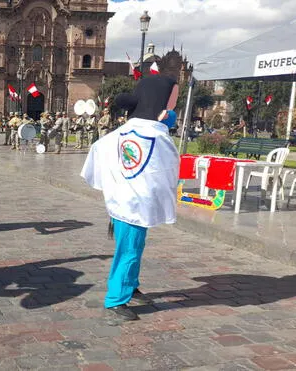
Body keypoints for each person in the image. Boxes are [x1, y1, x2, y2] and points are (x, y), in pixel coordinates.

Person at [80, 75, 180, 322]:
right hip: (133, 202)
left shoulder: (122, 133)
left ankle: (131, 285)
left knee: (135, 247)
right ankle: (116, 299)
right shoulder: (153, 136)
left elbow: (98, 150)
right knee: (129, 250)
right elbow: (168, 166)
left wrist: (111, 184)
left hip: (127, 200)